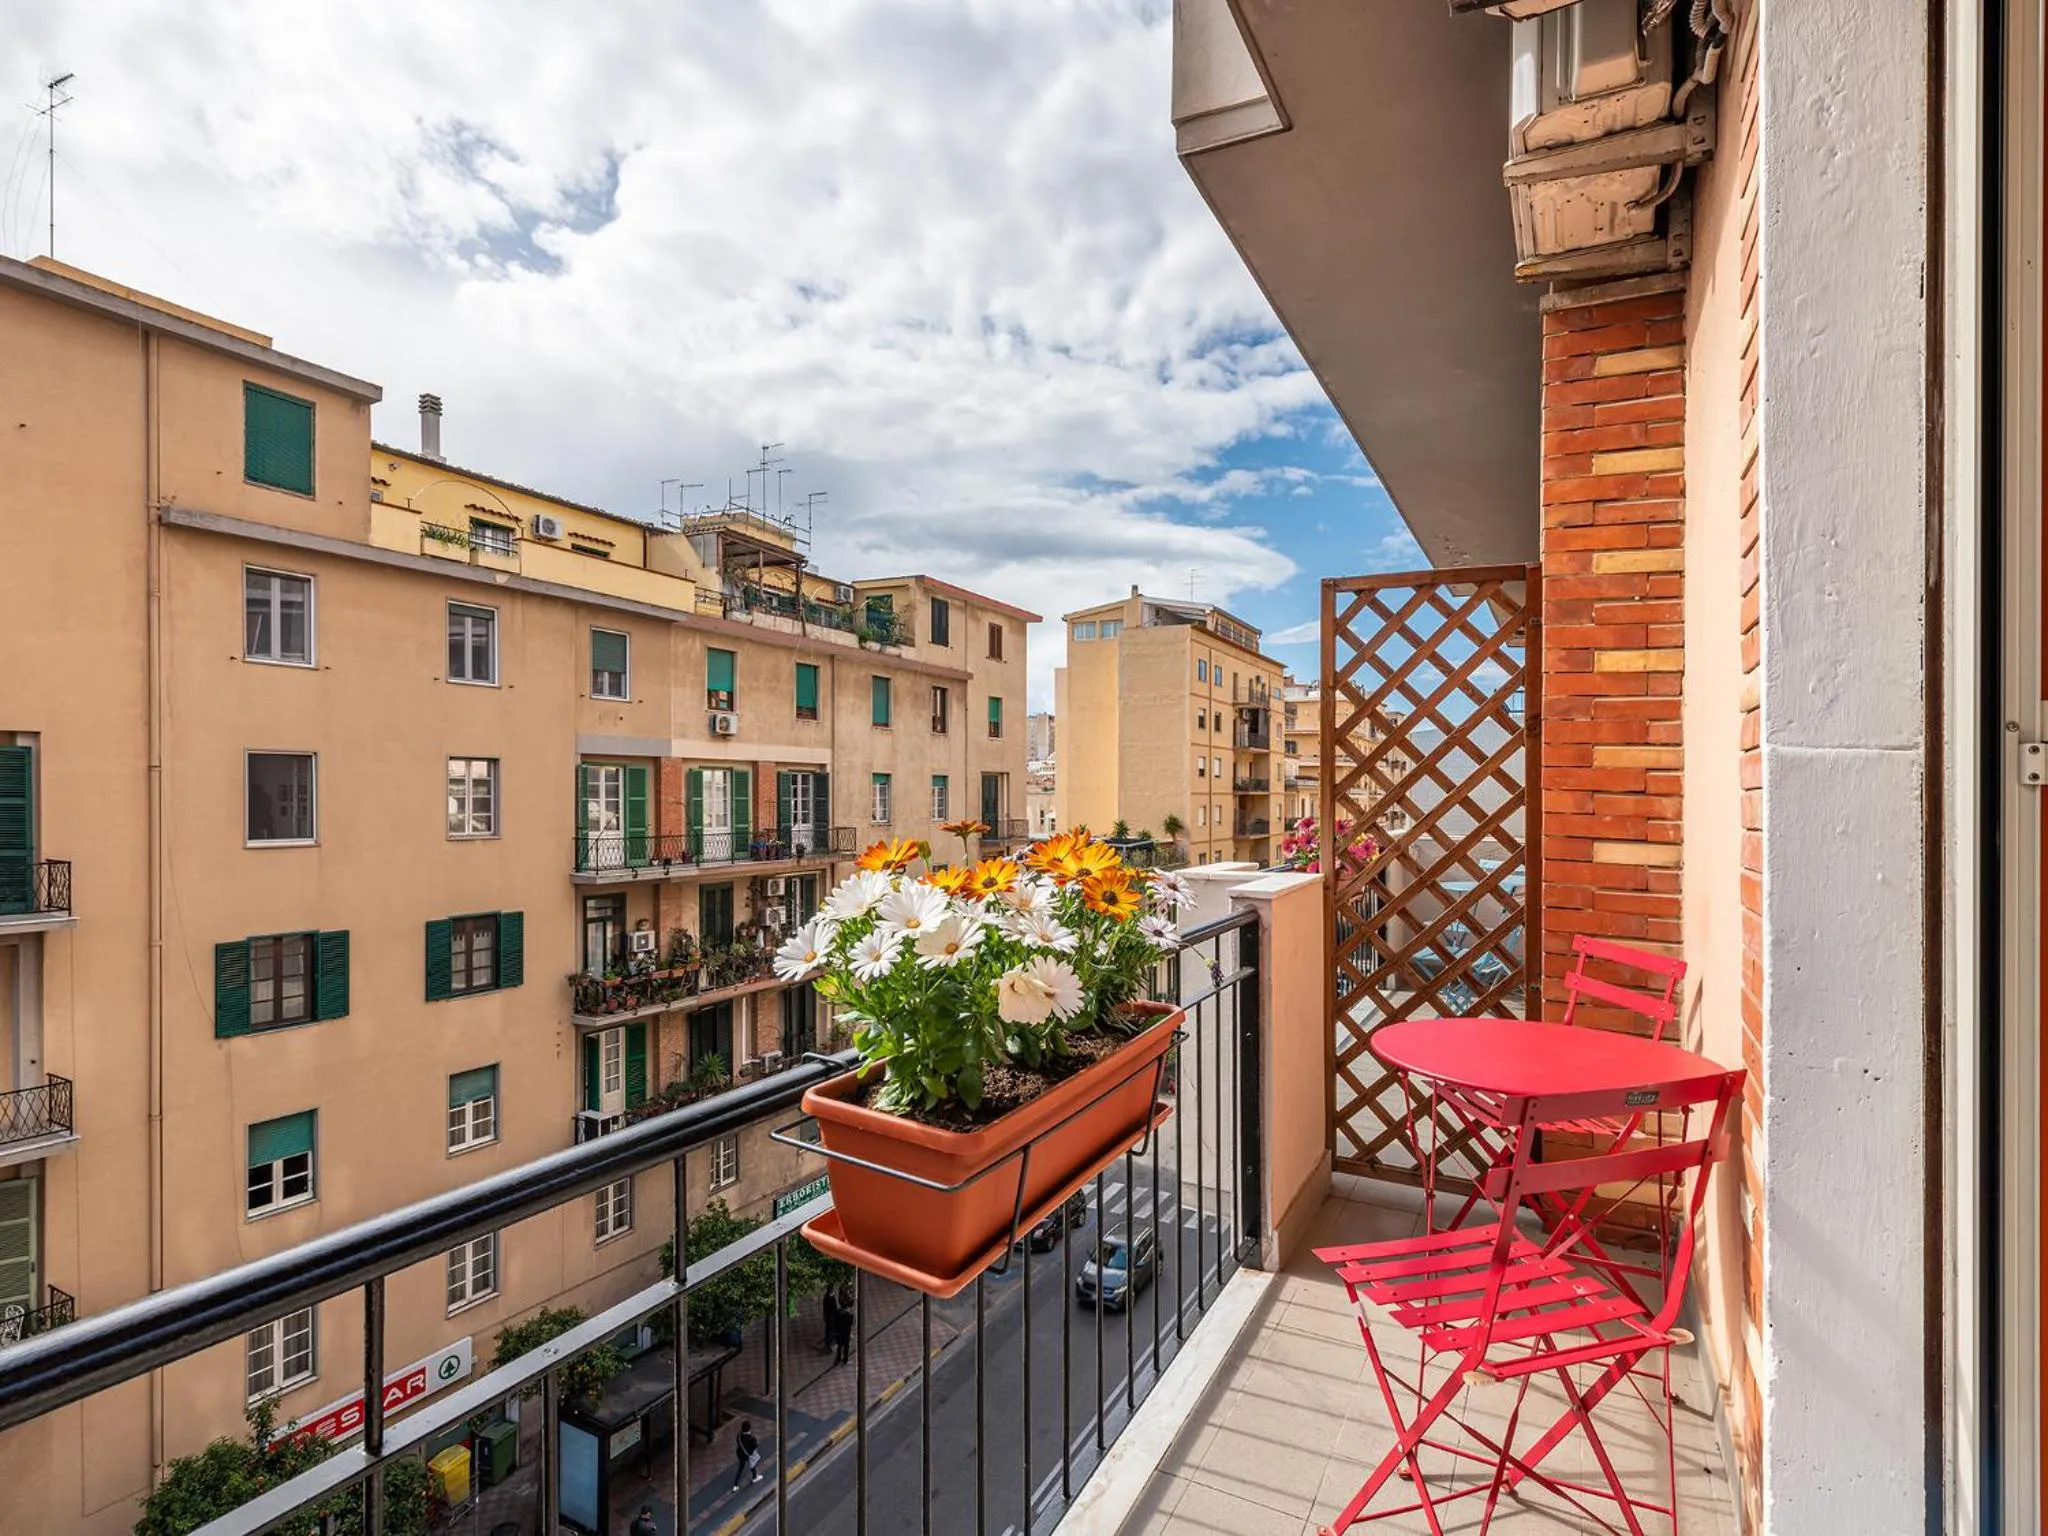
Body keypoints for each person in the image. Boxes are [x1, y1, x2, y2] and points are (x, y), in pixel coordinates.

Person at [732, 1420, 763, 1490]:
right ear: (749, 1428)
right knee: (753, 1464)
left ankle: (735, 1485)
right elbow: (755, 1446)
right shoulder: (752, 1438)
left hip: (740, 1453)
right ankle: (755, 1477)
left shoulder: (739, 1435)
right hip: (749, 1454)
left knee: (740, 1468)